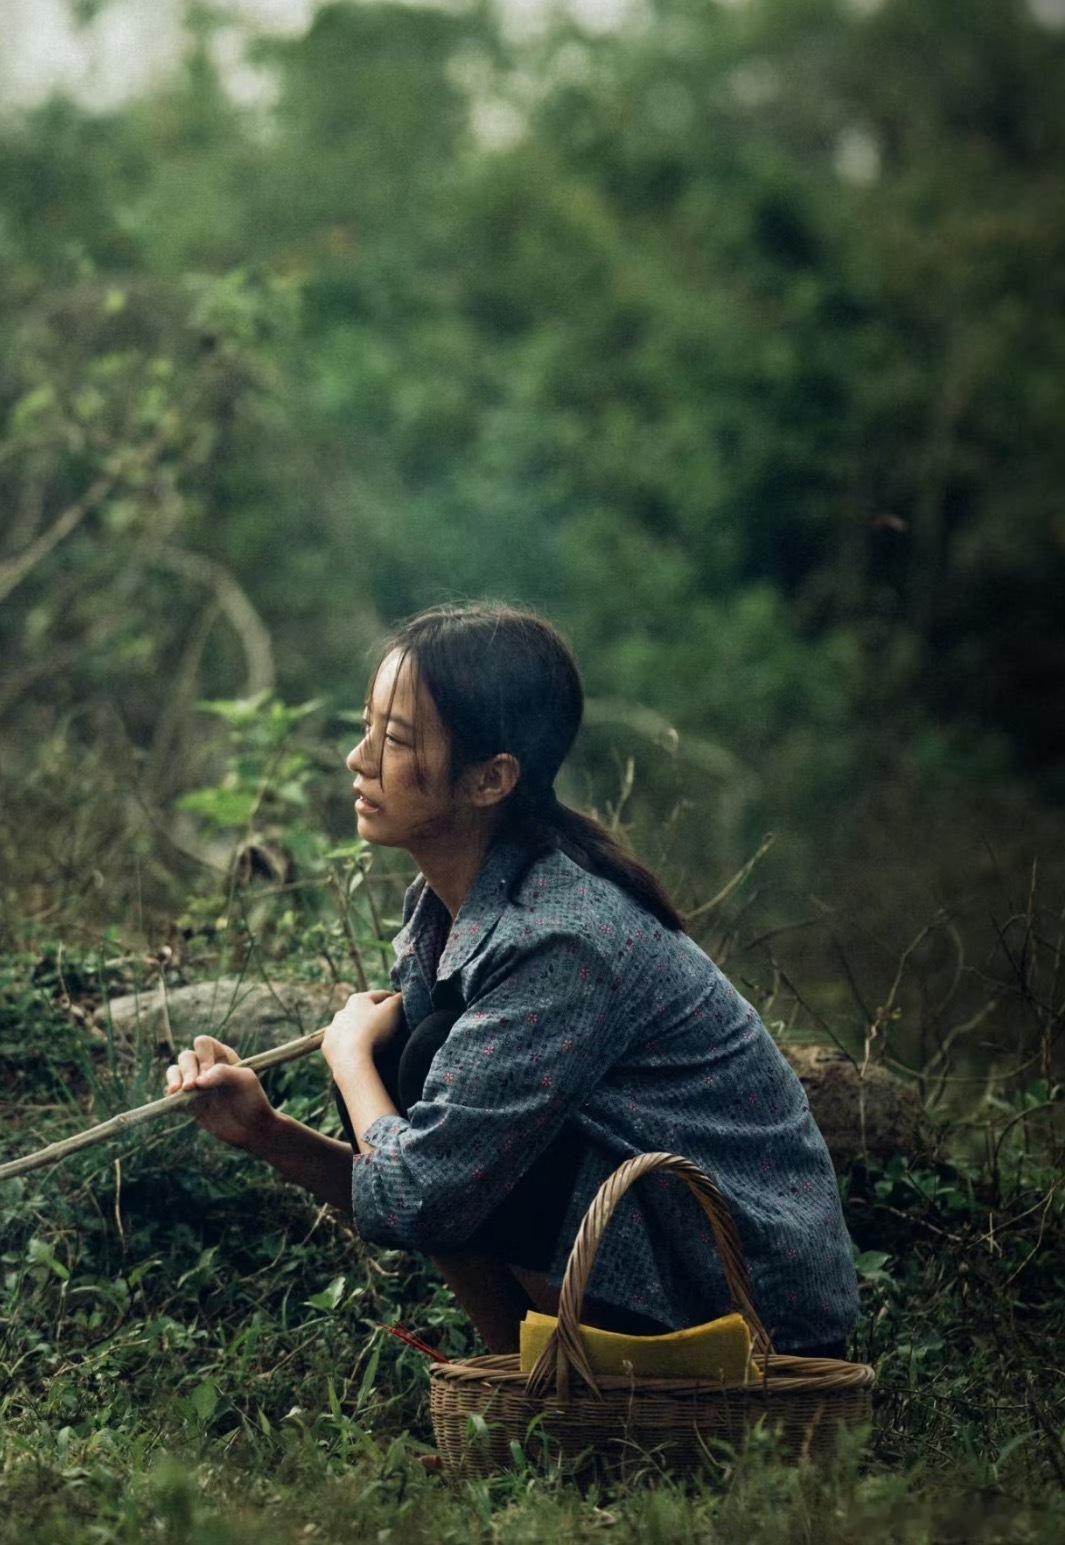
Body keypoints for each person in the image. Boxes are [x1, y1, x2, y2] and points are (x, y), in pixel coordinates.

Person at [166, 601, 859, 1359]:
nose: (358, 759)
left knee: (417, 1058)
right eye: (365, 727)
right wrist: (262, 1130)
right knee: (416, 1061)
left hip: (746, 1307)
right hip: (662, 1255)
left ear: (490, 779)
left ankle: (567, 1394)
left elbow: (418, 1190)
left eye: (395, 739)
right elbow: (424, 1189)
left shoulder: (562, 939)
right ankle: (519, 1375)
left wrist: (347, 1055)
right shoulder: (453, 902)